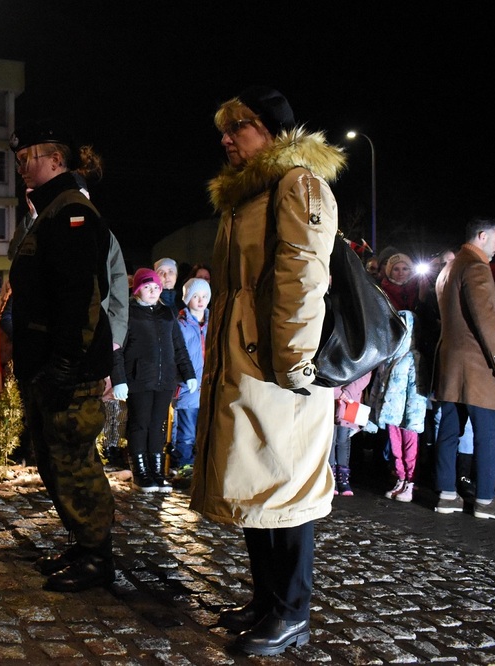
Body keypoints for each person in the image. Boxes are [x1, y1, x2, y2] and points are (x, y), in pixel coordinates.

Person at [191, 87, 344, 656]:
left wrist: (297, 362)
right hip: (250, 360)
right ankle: (265, 599)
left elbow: (303, 276)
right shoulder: (247, 196)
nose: (227, 139)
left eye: (240, 127)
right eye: (225, 129)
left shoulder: (298, 185)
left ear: (275, 132)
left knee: (289, 490)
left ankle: (292, 610)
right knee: (258, 485)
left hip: (282, 366)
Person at [8, 118, 115, 592]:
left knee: (74, 460)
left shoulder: (72, 212)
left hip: (67, 366)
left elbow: (81, 297)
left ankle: (97, 556)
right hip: (47, 362)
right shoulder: (51, 211)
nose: (21, 167)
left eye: (28, 157)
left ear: (56, 160)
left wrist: (67, 362)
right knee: (55, 461)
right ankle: (81, 544)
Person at [431, 217, 495, 521]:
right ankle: (485, 499)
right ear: (482, 236)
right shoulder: (476, 266)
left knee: (448, 430)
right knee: (489, 432)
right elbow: (485, 317)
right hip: (475, 363)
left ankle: (447, 495)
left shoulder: (450, 267)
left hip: (450, 362)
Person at [111, 268, 196, 492]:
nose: (152, 291)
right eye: (147, 287)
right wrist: (119, 379)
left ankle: (157, 473)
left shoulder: (167, 313)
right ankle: (141, 473)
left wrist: (188, 373)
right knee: (140, 424)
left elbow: (179, 346)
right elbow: (116, 349)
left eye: (156, 287)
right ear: (138, 289)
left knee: (157, 426)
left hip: (164, 379)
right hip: (138, 378)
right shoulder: (129, 313)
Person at [372, 310, 427, 503]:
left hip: (406, 414)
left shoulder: (413, 357)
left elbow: (416, 389)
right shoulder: (388, 357)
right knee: (396, 448)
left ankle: (410, 482)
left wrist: (414, 417)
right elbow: (379, 387)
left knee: (410, 448)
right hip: (391, 413)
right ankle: (401, 478)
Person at [171, 276, 210, 475]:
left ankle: (201, 464)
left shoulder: (214, 323)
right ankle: (183, 464)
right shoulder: (181, 325)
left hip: (209, 384)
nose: (201, 300)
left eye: (204, 295)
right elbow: (176, 354)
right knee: (186, 430)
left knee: (205, 428)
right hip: (187, 386)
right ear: (187, 299)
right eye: (195, 296)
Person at [330, 371, 372, 496]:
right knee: (330, 440)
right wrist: (337, 393)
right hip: (331, 399)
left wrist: (347, 394)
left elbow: (366, 373)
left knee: (343, 439)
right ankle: (330, 477)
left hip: (350, 401)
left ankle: (343, 479)